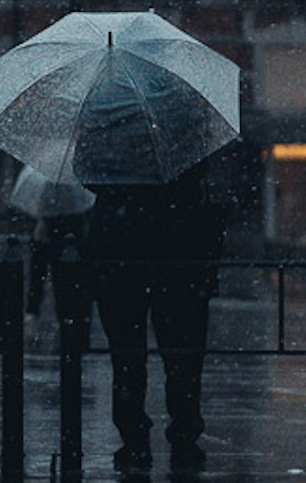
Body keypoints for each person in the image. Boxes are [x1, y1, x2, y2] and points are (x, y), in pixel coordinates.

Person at [70, 158, 231, 465]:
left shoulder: (105, 121)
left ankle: (135, 435)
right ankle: (183, 429)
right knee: (182, 354)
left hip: (122, 253)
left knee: (127, 356)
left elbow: (86, 174)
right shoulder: (185, 127)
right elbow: (201, 172)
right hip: (178, 255)